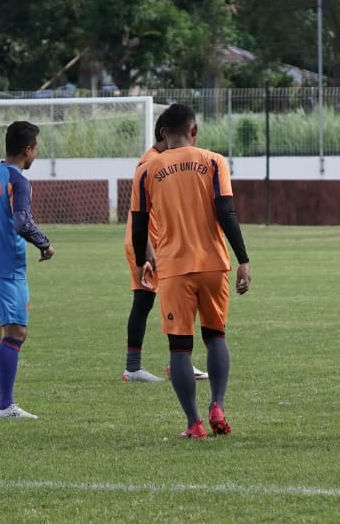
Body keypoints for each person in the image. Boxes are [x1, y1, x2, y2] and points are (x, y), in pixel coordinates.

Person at [131, 103, 251, 439]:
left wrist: (143, 261)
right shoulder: (214, 162)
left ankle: (194, 423)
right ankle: (218, 404)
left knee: (179, 348)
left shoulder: (147, 169)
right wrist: (242, 258)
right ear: (194, 130)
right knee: (216, 338)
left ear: (162, 135)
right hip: (214, 265)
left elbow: (139, 226)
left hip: (173, 269)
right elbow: (227, 213)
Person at [0, 121, 55, 419]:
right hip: (6, 266)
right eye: (36, 150)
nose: (36, 155)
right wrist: (44, 244)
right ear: (27, 149)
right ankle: (5, 405)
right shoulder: (18, 181)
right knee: (16, 331)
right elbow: (21, 222)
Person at [121, 124, 209, 384]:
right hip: (148, 244)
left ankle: (163, 363)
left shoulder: (157, 160)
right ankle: (151, 365)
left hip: (156, 244)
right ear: (165, 134)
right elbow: (139, 212)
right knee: (161, 301)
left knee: (150, 302)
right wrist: (147, 248)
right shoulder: (150, 163)